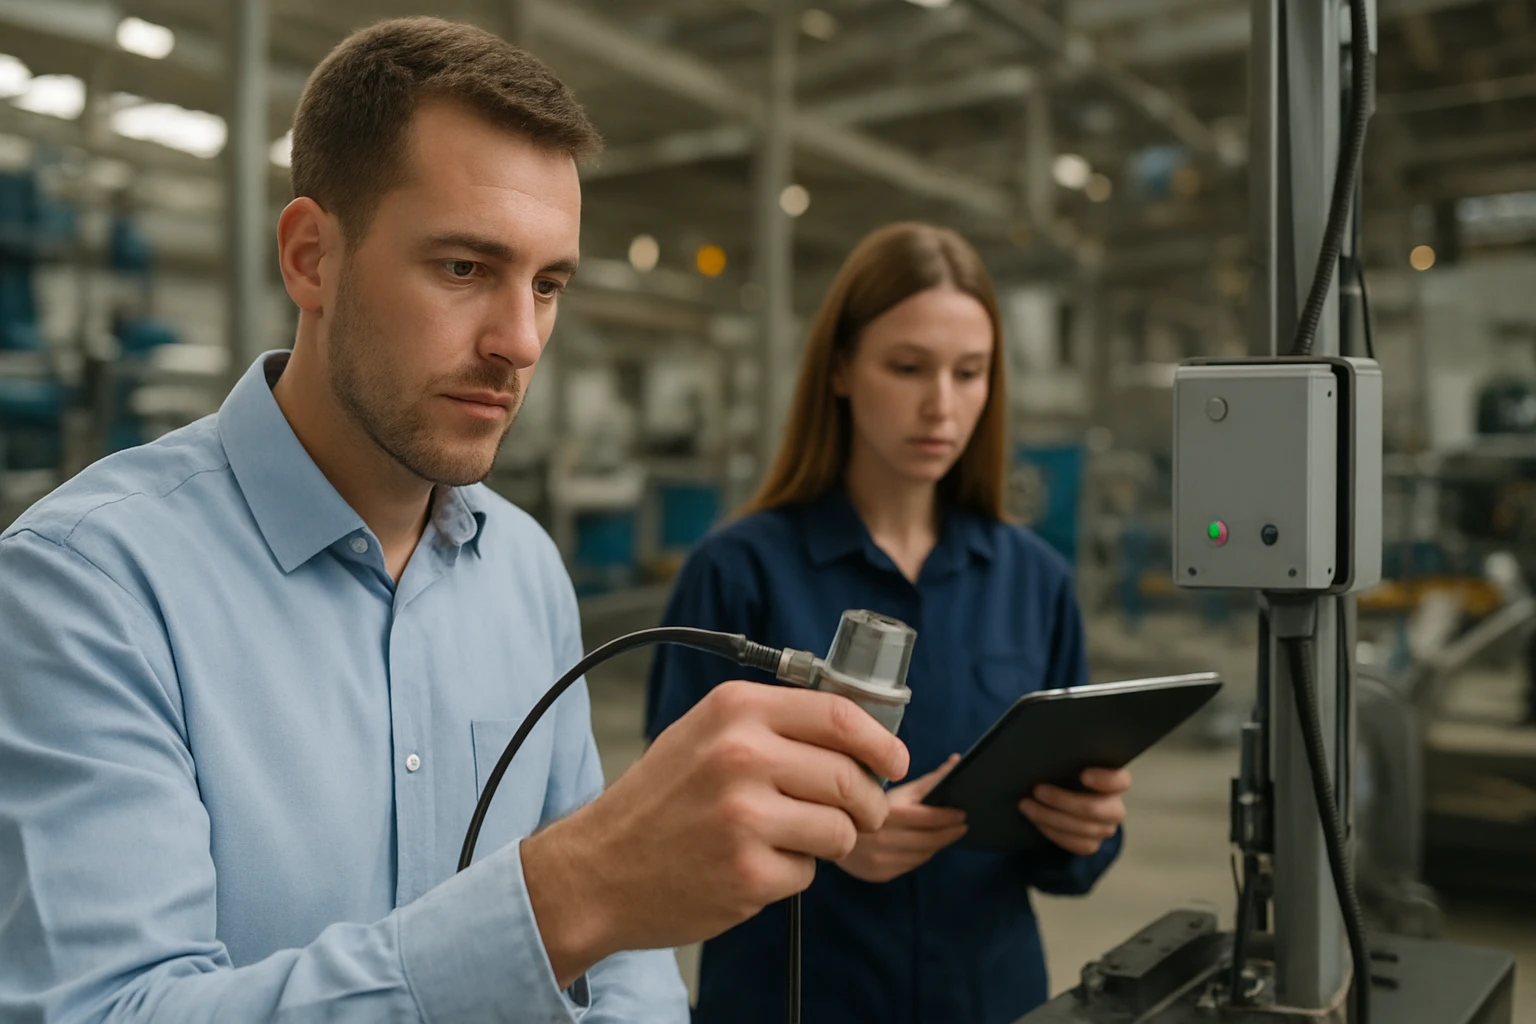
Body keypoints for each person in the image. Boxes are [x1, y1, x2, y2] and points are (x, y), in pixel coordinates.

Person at [0, 19, 910, 1023]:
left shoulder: (524, 569)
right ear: (311, 257)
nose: (520, 341)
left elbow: (625, 969)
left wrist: (602, 911)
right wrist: (564, 893)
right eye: (465, 268)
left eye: (549, 283)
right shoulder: (87, 587)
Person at [646, 222, 1133, 1024]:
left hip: (987, 999)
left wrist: (1088, 831)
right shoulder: (738, 573)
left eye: (969, 373)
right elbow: (670, 840)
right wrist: (834, 844)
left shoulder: (1034, 581)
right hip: (795, 998)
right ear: (839, 368)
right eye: (908, 368)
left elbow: (1069, 847)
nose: (941, 404)